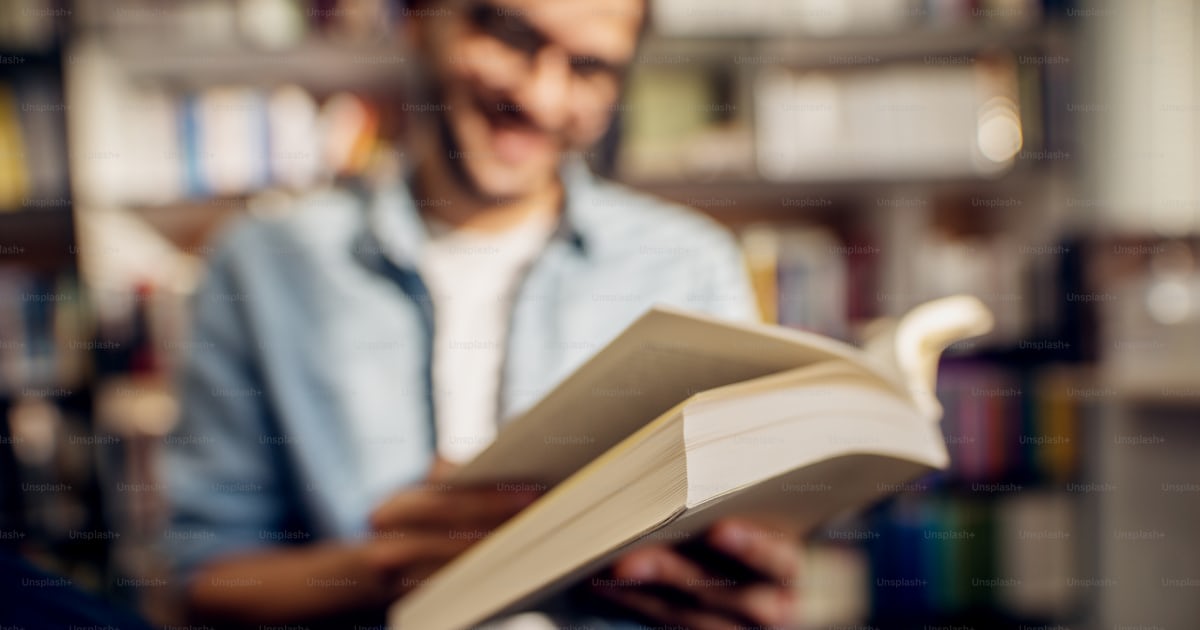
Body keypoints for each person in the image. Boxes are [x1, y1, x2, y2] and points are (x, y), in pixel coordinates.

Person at [163, 0, 802, 627]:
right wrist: (399, 567)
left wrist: (739, 588)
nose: (542, 98)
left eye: (588, 67)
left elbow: (736, 540)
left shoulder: (687, 265)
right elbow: (203, 581)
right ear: (418, 19)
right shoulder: (264, 266)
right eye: (507, 33)